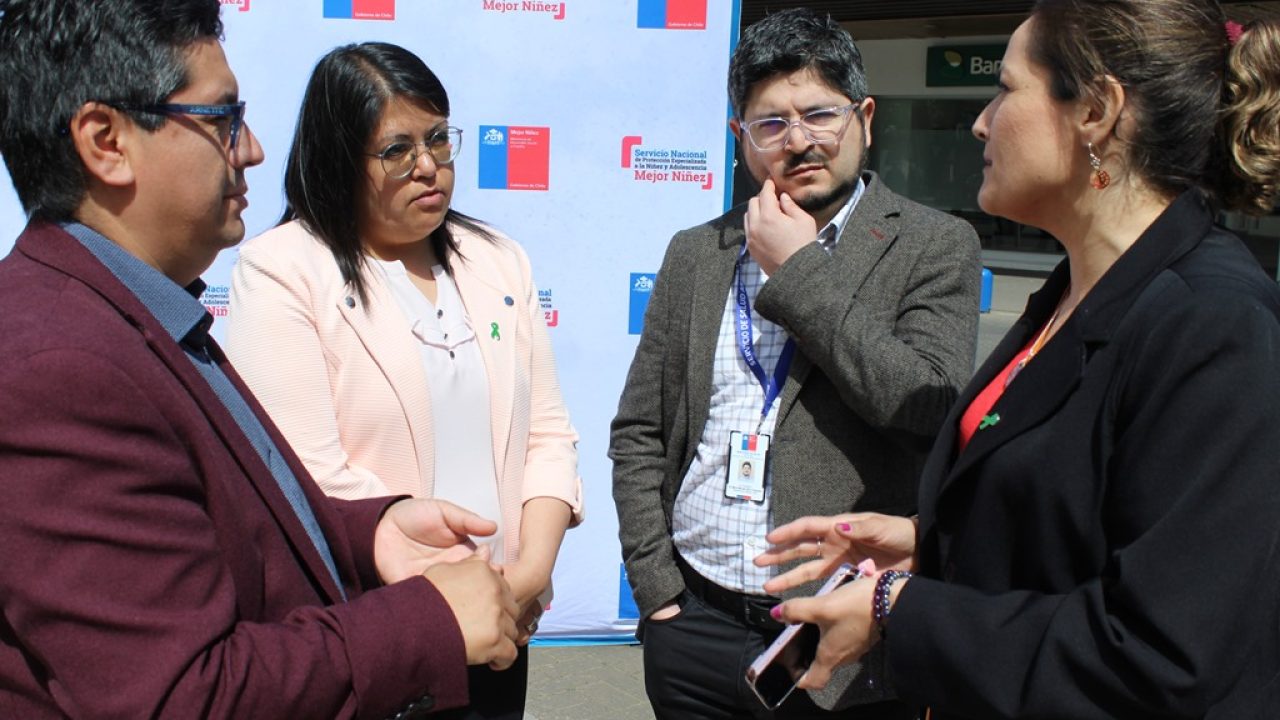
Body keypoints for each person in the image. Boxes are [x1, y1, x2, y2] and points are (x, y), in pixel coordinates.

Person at [758, 2, 1280, 718]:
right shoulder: (1075, 290)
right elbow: (1076, 524)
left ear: (1095, 111)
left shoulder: (1216, 325)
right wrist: (930, 544)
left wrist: (900, 607)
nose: (981, 122)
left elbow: (1162, 654)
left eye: (1005, 89)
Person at [0, 2, 521, 718]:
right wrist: (428, 620)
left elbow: (231, 529)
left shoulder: (137, 314)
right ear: (106, 141)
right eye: (222, 120)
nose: (251, 150)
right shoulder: (60, 369)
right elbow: (185, 696)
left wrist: (369, 535)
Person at [609, 8, 981, 719]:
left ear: (864, 117)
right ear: (741, 138)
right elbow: (639, 430)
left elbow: (926, 407)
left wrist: (801, 271)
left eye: (819, 114)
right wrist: (657, 591)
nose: (799, 140)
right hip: (695, 623)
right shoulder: (698, 251)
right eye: (771, 123)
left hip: (840, 640)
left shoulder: (934, 245)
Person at [225, 42, 583, 720]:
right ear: (339, 158)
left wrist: (524, 577)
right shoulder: (282, 271)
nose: (428, 166)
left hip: (503, 626)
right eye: (397, 150)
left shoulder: (497, 260)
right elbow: (307, 476)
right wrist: (449, 594)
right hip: (375, 638)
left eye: (439, 139)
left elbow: (547, 436)